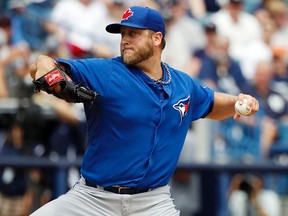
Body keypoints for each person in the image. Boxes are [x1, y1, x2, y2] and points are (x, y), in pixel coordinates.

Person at [29, 6, 259, 216]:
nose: (125, 40)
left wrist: (239, 100)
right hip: (92, 200)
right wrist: (53, 77)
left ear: (157, 38)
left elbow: (211, 104)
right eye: (123, 34)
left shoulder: (183, 85)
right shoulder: (106, 71)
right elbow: (42, 62)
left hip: (153, 203)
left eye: (133, 33)